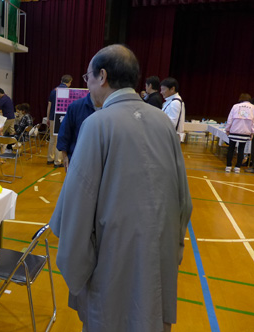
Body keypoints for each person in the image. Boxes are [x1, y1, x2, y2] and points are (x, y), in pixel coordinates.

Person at [49, 44, 193, 332]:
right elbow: (184, 200)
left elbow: (77, 208)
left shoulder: (97, 124)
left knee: (112, 317)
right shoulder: (163, 123)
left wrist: (77, 268)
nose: (86, 84)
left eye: (87, 77)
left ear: (102, 76)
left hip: (113, 257)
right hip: (158, 250)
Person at [56, 92, 96, 171]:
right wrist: (65, 157)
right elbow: (64, 132)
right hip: (77, 159)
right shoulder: (76, 106)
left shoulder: (110, 108)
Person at [47, 75, 73, 167]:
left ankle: (50, 158)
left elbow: (49, 105)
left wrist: (48, 117)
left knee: (52, 139)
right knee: (59, 139)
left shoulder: (53, 90)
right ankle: (57, 161)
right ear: (69, 82)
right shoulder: (67, 91)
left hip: (52, 117)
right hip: (61, 118)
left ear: (61, 80)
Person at [224, 93, 254, 173]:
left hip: (234, 130)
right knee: (241, 150)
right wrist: (252, 132)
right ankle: (237, 167)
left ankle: (228, 166)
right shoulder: (252, 107)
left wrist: (227, 129)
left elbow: (230, 119)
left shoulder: (235, 106)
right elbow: (253, 122)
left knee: (231, 149)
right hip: (245, 132)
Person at [161, 77, 186, 142]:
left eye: (163, 89)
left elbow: (172, 123)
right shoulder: (171, 101)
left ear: (172, 89)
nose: (161, 92)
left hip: (170, 138)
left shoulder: (175, 103)